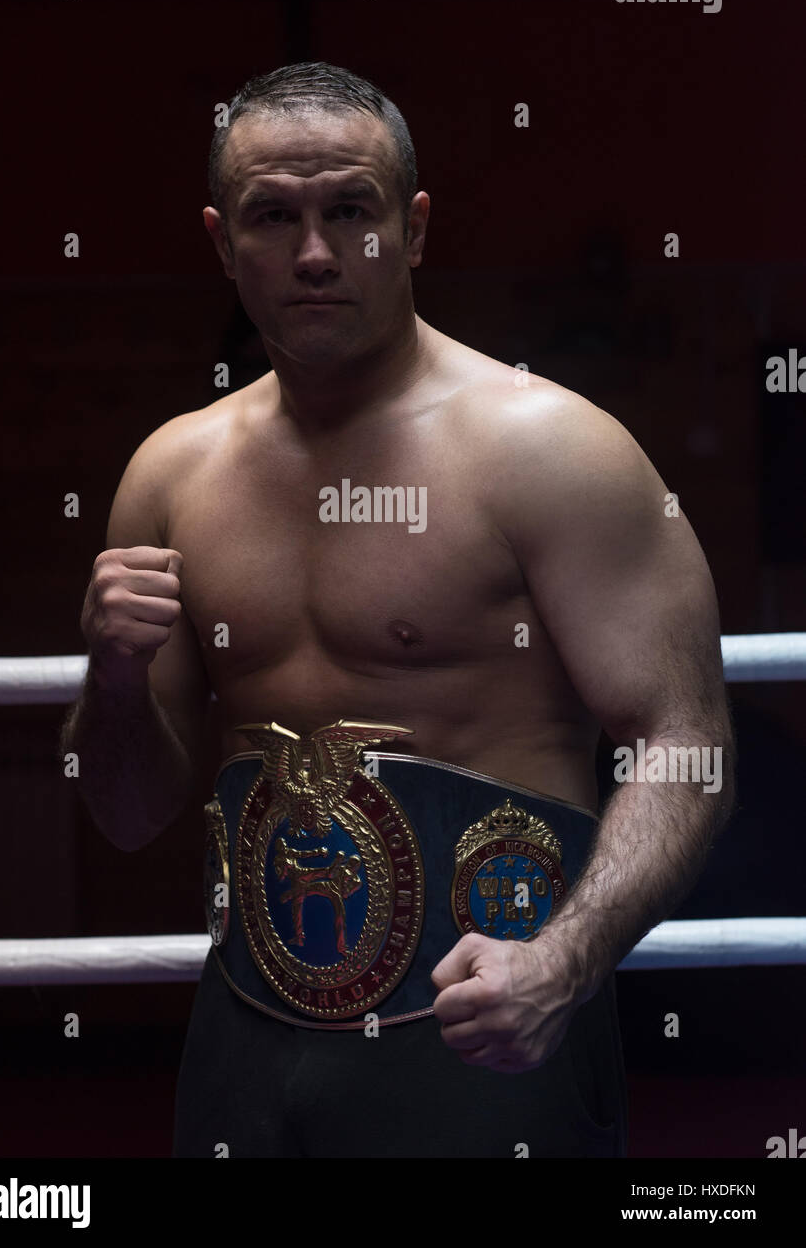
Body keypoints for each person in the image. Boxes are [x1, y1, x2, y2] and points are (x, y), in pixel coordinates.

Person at [60, 61, 735, 1158]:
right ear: (223, 242)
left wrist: (563, 960)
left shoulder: (553, 452)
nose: (316, 252)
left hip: (487, 1039)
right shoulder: (169, 477)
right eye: (274, 217)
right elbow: (131, 812)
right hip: (245, 1043)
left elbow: (685, 742)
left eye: (351, 212)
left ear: (412, 229)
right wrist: (115, 677)